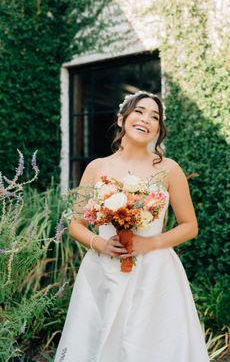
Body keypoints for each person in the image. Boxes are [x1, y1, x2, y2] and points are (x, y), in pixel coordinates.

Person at [54, 91, 210, 362]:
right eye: (139, 111)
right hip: (103, 269)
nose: (146, 119)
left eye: (155, 117)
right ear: (121, 118)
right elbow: (75, 224)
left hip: (154, 273)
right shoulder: (96, 167)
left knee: (151, 345)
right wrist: (100, 243)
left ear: (158, 129)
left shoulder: (169, 169)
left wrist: (149, 243)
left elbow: (189, 226)